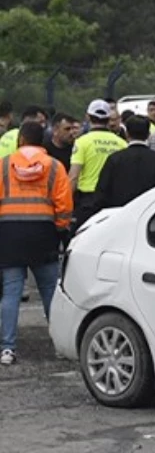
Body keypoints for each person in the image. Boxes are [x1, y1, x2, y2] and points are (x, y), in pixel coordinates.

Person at [0, 122, 72, 365]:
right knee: (50, 290)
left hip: (9, 233)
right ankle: (60, 345)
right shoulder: (54, 166)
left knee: (11, 292)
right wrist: (60, 228)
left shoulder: (3, 164)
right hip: (43, 233)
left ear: (20, 139)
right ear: (42, 140)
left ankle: (7, 348)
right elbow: (64, 204)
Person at [70, 99, 128, 232]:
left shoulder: (82, 142)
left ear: (88, 117)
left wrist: (66, 205)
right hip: (113, 201)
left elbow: (73, 176)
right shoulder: (121, 143)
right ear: (108, 119)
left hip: (87, 200)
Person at [95, 115, 155, 209]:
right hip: (149, 214)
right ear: (148, 135)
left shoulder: (114, 159)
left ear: (127, 134)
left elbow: (102, 192)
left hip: (119, 214)